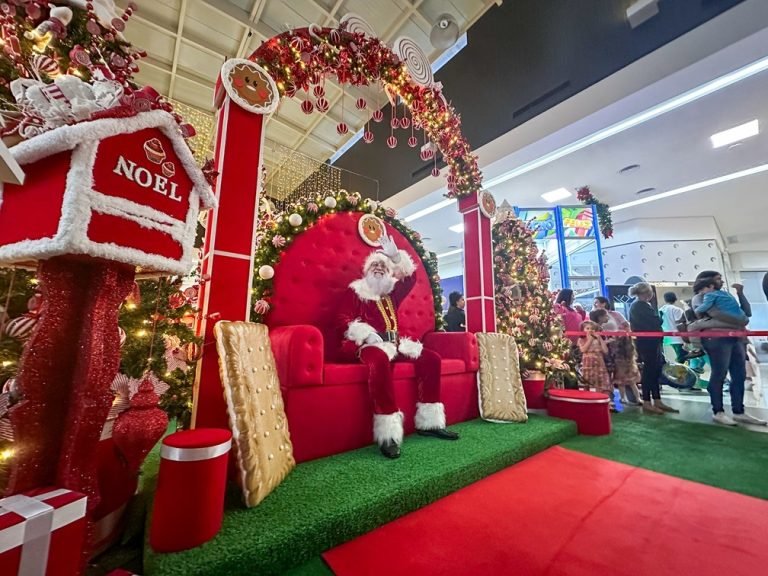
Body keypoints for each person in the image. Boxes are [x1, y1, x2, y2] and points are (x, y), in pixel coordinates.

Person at [337, 232, 459, 459]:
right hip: (367, 345)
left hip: (395, 343)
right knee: (379, 360)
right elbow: (342, 319)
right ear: (366, 271)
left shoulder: (391, 293)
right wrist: (366, 334)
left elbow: (411, 279)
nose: (379, 268)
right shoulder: (355, 291)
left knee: (430, 358)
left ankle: (430, 424)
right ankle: (388, 434)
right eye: (375, 265)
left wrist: (395, 256)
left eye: (383, 266)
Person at [690, 274, 765, 426]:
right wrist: (738, 320)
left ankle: (739, 411)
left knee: (739, 375)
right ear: (707, 282)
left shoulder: (724, 295)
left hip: (735, 337)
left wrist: (740, 296)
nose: (721, 281)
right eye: (717, 278)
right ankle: (718, 411)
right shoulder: (700, 297)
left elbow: (745, 312)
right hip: (716, 338)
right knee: (719, 373)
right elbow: (712, 314)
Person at [628, 282, 679, 415]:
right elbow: (655, 322)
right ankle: (647, 401)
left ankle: (656, 400)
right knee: (649, 372)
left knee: (655, 371)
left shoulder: (640, 305)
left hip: (652, 341)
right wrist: (659, 319)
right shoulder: (639, 306)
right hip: (647, 343)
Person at [590, 309, 641, 406]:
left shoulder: (602, 329)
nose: (608, 318)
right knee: (606, 377)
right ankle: (609, 397)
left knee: (609, 377)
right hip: (602, 356)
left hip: (609, 355)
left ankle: (612, 397)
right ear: (600, 317)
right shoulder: (597, 330)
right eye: (605, 316)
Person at [577, 320, 613, 407]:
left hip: (599, 362)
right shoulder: (581, 339)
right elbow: (583, 350)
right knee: (587, 381)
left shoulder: (598, 339)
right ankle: (587, 401)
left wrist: (600, 339)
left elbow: (605, 351)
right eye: (587, 328)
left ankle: (603, 401)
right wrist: (590, 339)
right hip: (588, 363)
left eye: (592, 329)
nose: (590, 330)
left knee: (602, 382)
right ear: (583, 330)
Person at [659, 292, 686, 363]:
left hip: (667, 338)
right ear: (675, 298)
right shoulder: (677, 310)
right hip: (678, 338)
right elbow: (680, 324)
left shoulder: (661, 310)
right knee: (682, 358)